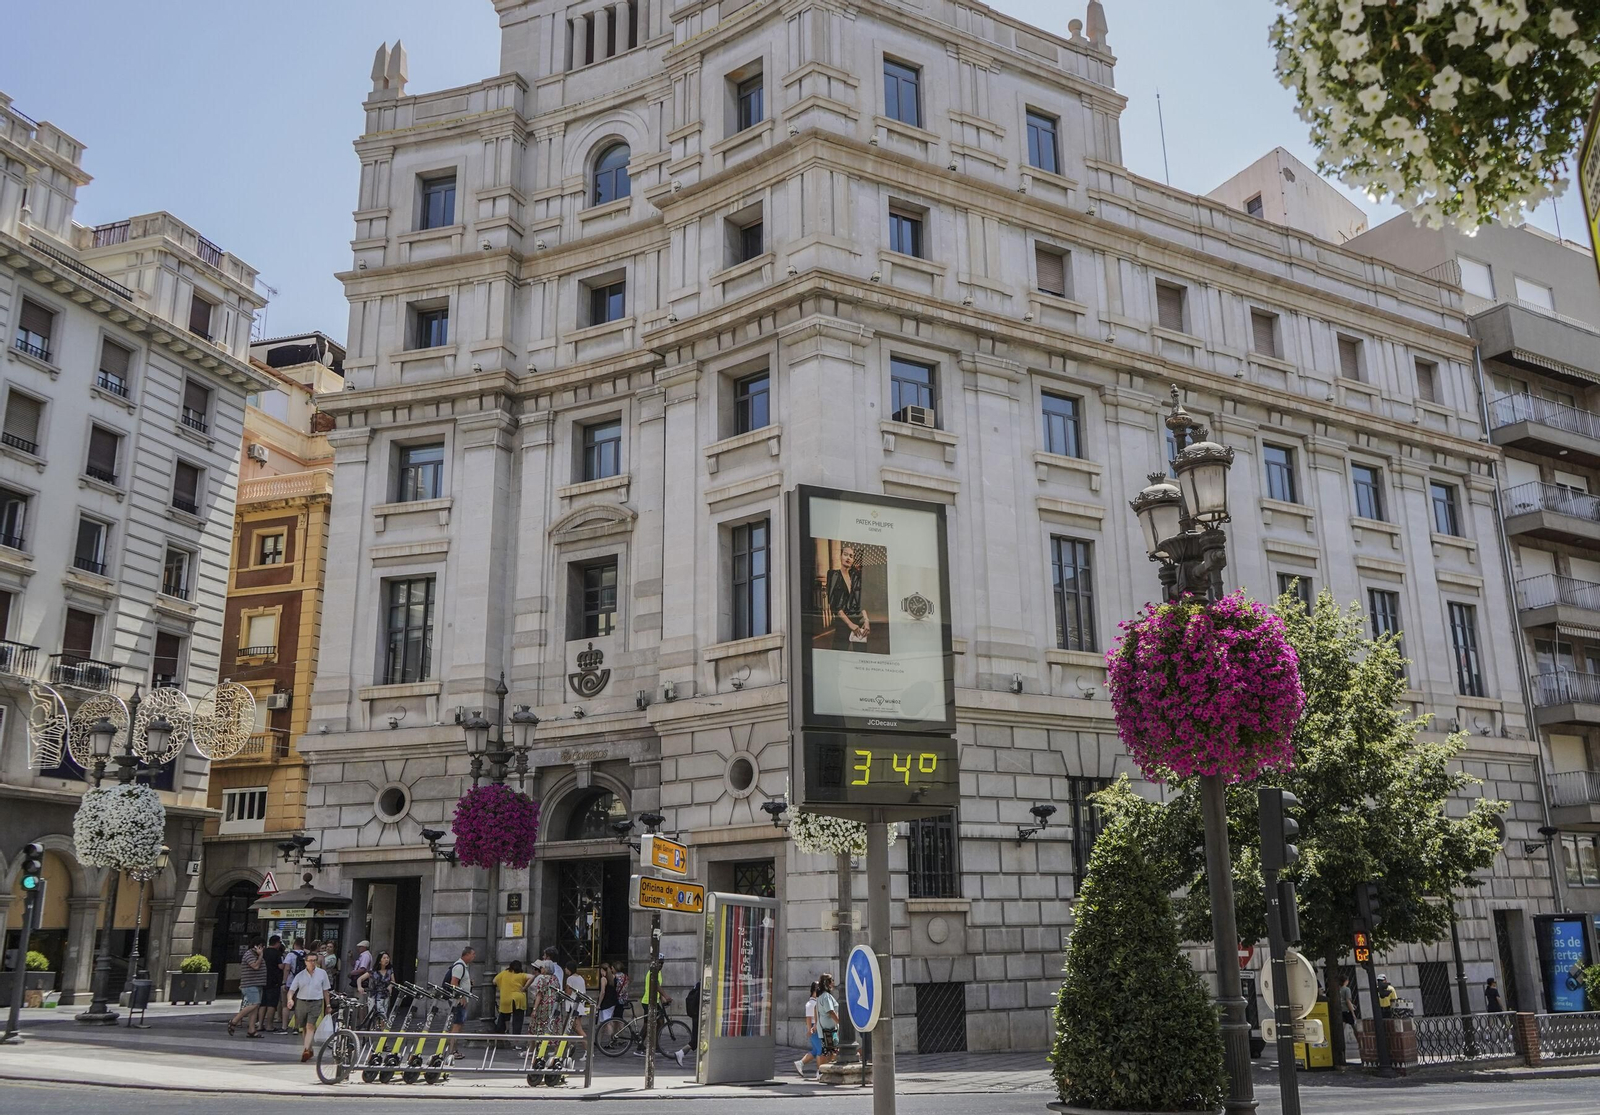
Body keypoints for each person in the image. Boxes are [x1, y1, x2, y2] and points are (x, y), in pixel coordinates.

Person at [287, 950, 332, 1063]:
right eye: (310, 961)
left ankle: (306, 1049)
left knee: (310, 1026)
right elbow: (292, 990)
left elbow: (326, 990)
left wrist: (328, 1005)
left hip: (316, 1002)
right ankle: (309, 1049)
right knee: (303, 1027)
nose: (312, 963)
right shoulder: (300, 975)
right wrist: (290, 999)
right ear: (305, 962)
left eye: (314, 961)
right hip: (302, 1002)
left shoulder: (322, 973)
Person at [826, 544, 868, 651]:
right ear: (840, 556)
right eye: (845, 555)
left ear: (853, 560)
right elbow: (834, 604)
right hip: (843, 623)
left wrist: (866, 620)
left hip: (858, 622)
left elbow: (861, 601)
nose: (848, 558)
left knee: (861, 656)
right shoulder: (833, 575)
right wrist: (850, 624)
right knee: (838, 655)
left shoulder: (856, 576)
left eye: (851, 556)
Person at [230, 936, 267, 1037]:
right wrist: (260, 956)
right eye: (261, 946)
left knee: (255, 1008)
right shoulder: (249, 954)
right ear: (256, 946)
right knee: (255, 1004)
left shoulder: (255, 954)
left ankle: (251, 1030)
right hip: (250, 984)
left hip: (258, 984)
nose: (262, 948)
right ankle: (235, 1020)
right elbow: (255, 966)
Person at [448, 945, 476, 1039]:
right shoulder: (460, 966)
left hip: (461, 1000)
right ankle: (451, 1050)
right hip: (458, 1001)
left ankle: (453, 1049)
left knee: (459, 1024)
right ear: (467, 954)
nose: (474, 956)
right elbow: (454, 983)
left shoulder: (463, 966)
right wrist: (461, 996)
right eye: (473, 954)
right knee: (457, 1024)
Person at [495, 959, 529, 1035]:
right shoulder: (521, 975)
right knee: (518, 1020)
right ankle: (516, 1041)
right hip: (519, 1000)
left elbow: (494, 980)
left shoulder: (504, 973)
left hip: (506, 999)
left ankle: (502, 1034)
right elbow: (531, 977)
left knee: (503, 1016)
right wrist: (524, 988)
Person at [281, 937, 307, 1033]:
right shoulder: (305, 955)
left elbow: (287, 968)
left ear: (294, 943)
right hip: (303, 983)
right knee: (298, 1006)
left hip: (290, 983)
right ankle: (296, 1027)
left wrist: (284, 981)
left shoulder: (290, 955)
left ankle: (284, 1027)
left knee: (286, 1005)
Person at [261, 935, 286, 1035]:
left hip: (263, 979)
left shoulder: (263, 952)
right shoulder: (277, 954)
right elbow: (280, 966)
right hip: (274, 981)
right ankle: (269, 1025)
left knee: (263, 1003)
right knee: (271, 1004)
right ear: (276, 943)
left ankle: (260, 1024)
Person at [796, 980, 821, 1078]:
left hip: (815, 1027)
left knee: (815, 1050)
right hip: (814, 1028)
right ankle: (819, 1071)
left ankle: (800, 1063)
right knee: (820, 1050)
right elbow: (809, 1018)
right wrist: (809, 1029)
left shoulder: (814, 1002)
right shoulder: (811, 1004)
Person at [815, 973, 840, 1066]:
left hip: (826, 1028)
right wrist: (839, 1022)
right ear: (828, 983)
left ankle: (823, 1070)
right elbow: (831, 1011)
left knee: (829, 1051)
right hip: (828, 1029)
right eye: (832, 980)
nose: (833, 982)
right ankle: (821, 1071)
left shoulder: (822, 996)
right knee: (828, 1051)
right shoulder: (826, 996)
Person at [675, 979, 701, 1069]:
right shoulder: (704, 985)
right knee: (696, 1040)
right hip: (700, 1015)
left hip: (696, 1014)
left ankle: (681, 1053)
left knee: (697, 1040)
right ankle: (680, 1053)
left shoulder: (698, 984)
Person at [367, 952, 395, 1017]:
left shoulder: (390, 970)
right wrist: (360, 987)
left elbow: (393, 981)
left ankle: (382, 1027)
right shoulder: (374, 971)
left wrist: (390, 986)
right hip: (374, 995)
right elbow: (360, 978)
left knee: (384, 1014)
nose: (386, 960)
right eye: (384, 958)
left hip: (385, 995)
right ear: (379, 960)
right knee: (376, 1015)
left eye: (387, 958)